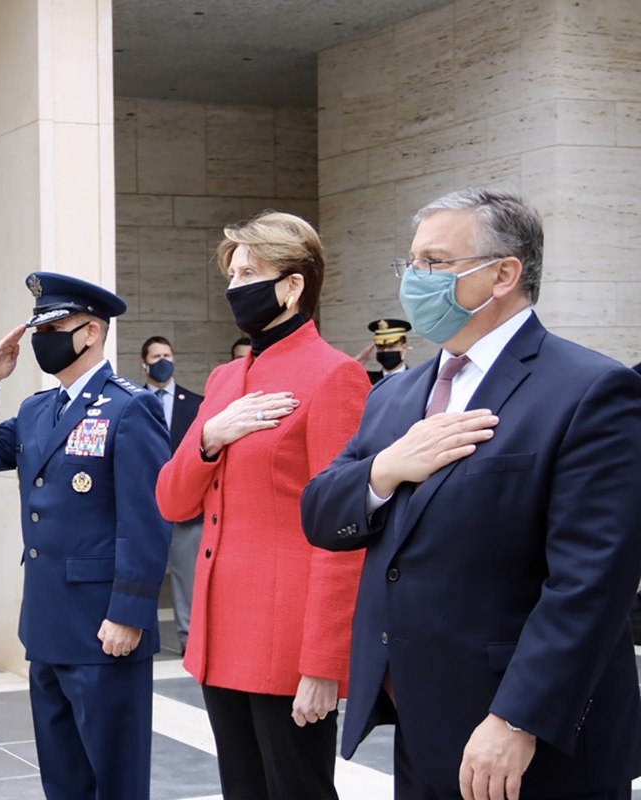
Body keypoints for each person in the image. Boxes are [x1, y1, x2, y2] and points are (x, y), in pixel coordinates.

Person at [300, 188, 641, 800]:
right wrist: (385, 470)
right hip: (422, 722)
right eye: (411, 263)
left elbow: (591, 582)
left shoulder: (590, 390)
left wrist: (518, 717)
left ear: (504, 274)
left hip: (528, 735)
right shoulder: (395, 397)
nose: (414, 280)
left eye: (435, 263)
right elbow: (321, 513)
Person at [155, 211, 369, 800]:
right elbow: (173, 500)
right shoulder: (225, 379)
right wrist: (208, 437)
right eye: (230, 276)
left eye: (248, 272)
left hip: (285, 637)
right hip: (221, 628)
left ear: (293, 284)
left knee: (296, 790)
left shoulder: (336, 377)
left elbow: (344, 530)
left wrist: (324, 661)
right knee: (242, 789)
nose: (234, 288)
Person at [0, 272, 172, 799]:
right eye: (38, 328)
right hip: (47, 622)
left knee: (114, 777)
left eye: (54, 326)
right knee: (64, 776)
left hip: (103, 628)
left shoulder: (129, 407)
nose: (40, 340)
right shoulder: (35, 409)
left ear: (91, 332)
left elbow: (147, 518)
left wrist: (128, 612)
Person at [140, 335, 204, 654]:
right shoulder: (133, 401)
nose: (162, 361)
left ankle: (189, 639)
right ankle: (141, 635)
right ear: (144, 363)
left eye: (167, 354)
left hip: (185, 503)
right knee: (142, 571)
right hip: (144, 504)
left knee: (186, 574)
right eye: (155, 356)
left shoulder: (195, 403)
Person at [356, 318, 413, 384]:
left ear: (404, 348)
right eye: (381, 346)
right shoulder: (367, 380)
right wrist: (353, 363)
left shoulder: (417, 379)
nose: (385, 350)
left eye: (391, 346)